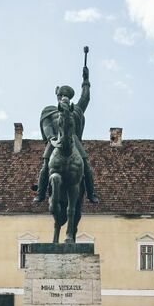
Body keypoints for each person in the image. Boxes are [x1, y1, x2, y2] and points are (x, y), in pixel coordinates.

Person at [33, 61, 99, 204]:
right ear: (58, 97)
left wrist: (86, 82)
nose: (63, 97)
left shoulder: (76, 110)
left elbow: (85, 98)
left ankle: (91, 193)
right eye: (61, 95)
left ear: (70, 98)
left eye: (66, 95)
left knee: (86, 164)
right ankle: (40, 193)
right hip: (55, 140)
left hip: (73, 139)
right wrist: (51, 138)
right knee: (45, 166)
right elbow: (46, 126)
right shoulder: (49, 111)